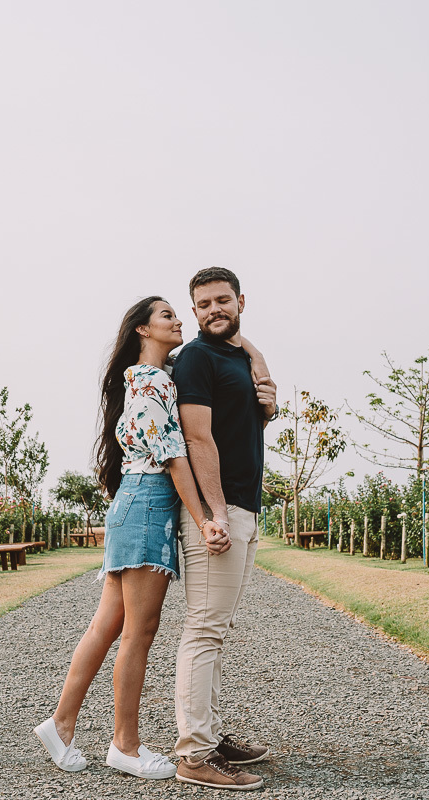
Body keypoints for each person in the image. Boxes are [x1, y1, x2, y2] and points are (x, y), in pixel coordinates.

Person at [34, 296, 230, 780]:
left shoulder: (140, 381)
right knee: (137, 633)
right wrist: (205, 518)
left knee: (107, 626)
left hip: (133, 504)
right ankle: (125, 744)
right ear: (143, 330)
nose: (179, 319)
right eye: (167, 315)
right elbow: (174, 457)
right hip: (147, 508)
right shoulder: (155, 382)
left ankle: (61, 725)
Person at [171, 267, 278, 791]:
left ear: (240, 301)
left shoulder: (236, 356)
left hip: (243, 507)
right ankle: (193, 754)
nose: (213, 310)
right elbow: (198, 438)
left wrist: (265, 388)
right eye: (203, 304)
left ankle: (210, 737)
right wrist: (214, 514)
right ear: (193, 311)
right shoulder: (195, 358)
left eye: (222, 300)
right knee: (204, 629)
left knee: (217, 630)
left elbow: (241, 422)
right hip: (221, 511)